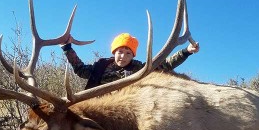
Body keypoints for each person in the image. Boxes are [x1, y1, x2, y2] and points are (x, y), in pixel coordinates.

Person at [61, 32, 199, 89]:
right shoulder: (100, 67)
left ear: (133, 56)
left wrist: (186, 51)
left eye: (128, 53)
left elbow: (165, 65)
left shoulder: (139, 68)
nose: (123, 56)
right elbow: (80, 69)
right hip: (100, 109)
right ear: (114, 52)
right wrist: (67, 48)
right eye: (120, 52)